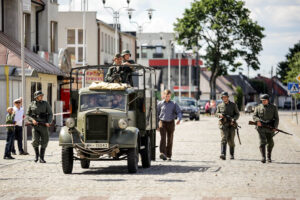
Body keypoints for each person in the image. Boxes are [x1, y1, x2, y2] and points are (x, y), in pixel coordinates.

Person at [26, 91, 53, 163]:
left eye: (42, 95)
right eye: (40, 96)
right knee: (35, 141)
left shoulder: (45, 103)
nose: (41, 97)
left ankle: (42, 158)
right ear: (36, 97)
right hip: (35, 126)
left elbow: (50, 114)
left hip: (44, 125)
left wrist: (49, 122)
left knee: (45, 140)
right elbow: (27, 115)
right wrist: (32, 120)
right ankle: (36, 156)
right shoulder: (31, 104)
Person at [157, 89, 182, 161]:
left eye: (169, 96)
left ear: (170, 96)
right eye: (166, 96)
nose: (167, 97)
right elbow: (157, 114)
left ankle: (168, 155)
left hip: (171, 122)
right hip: (162, 122)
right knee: (163, 138)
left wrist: (179, 119)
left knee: (170, 139)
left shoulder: (174, 104)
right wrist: (157, 125)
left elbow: (179, 112)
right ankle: (162, 153)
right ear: (163, 95)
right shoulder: (160, 104)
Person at [253, 94, 279, 163]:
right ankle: (263, 157)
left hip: (270, 128)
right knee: (262, 142)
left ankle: (269, 156)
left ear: (268, 100)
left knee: (271, 143)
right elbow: (254, 115)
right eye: (262, 100)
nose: (263, 101)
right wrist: (257, 120)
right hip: (261, 128)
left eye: (265, 100)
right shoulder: (258, 107)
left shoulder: (273, 107)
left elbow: (276, 118)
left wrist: (275, 127)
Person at [215, 92, 240, 160]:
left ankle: (231, 154)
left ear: (228, 97)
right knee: (223, 139)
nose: (224, 98)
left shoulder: (233, 105)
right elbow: (216, 113)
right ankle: (223, 154)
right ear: (222, 98)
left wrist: (233, 119)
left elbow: (237, 114)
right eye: (223, 97)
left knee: (231, 140)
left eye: (226, 97)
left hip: (231, 125)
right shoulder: (219, 105)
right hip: (223, 125)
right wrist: (219, 115)